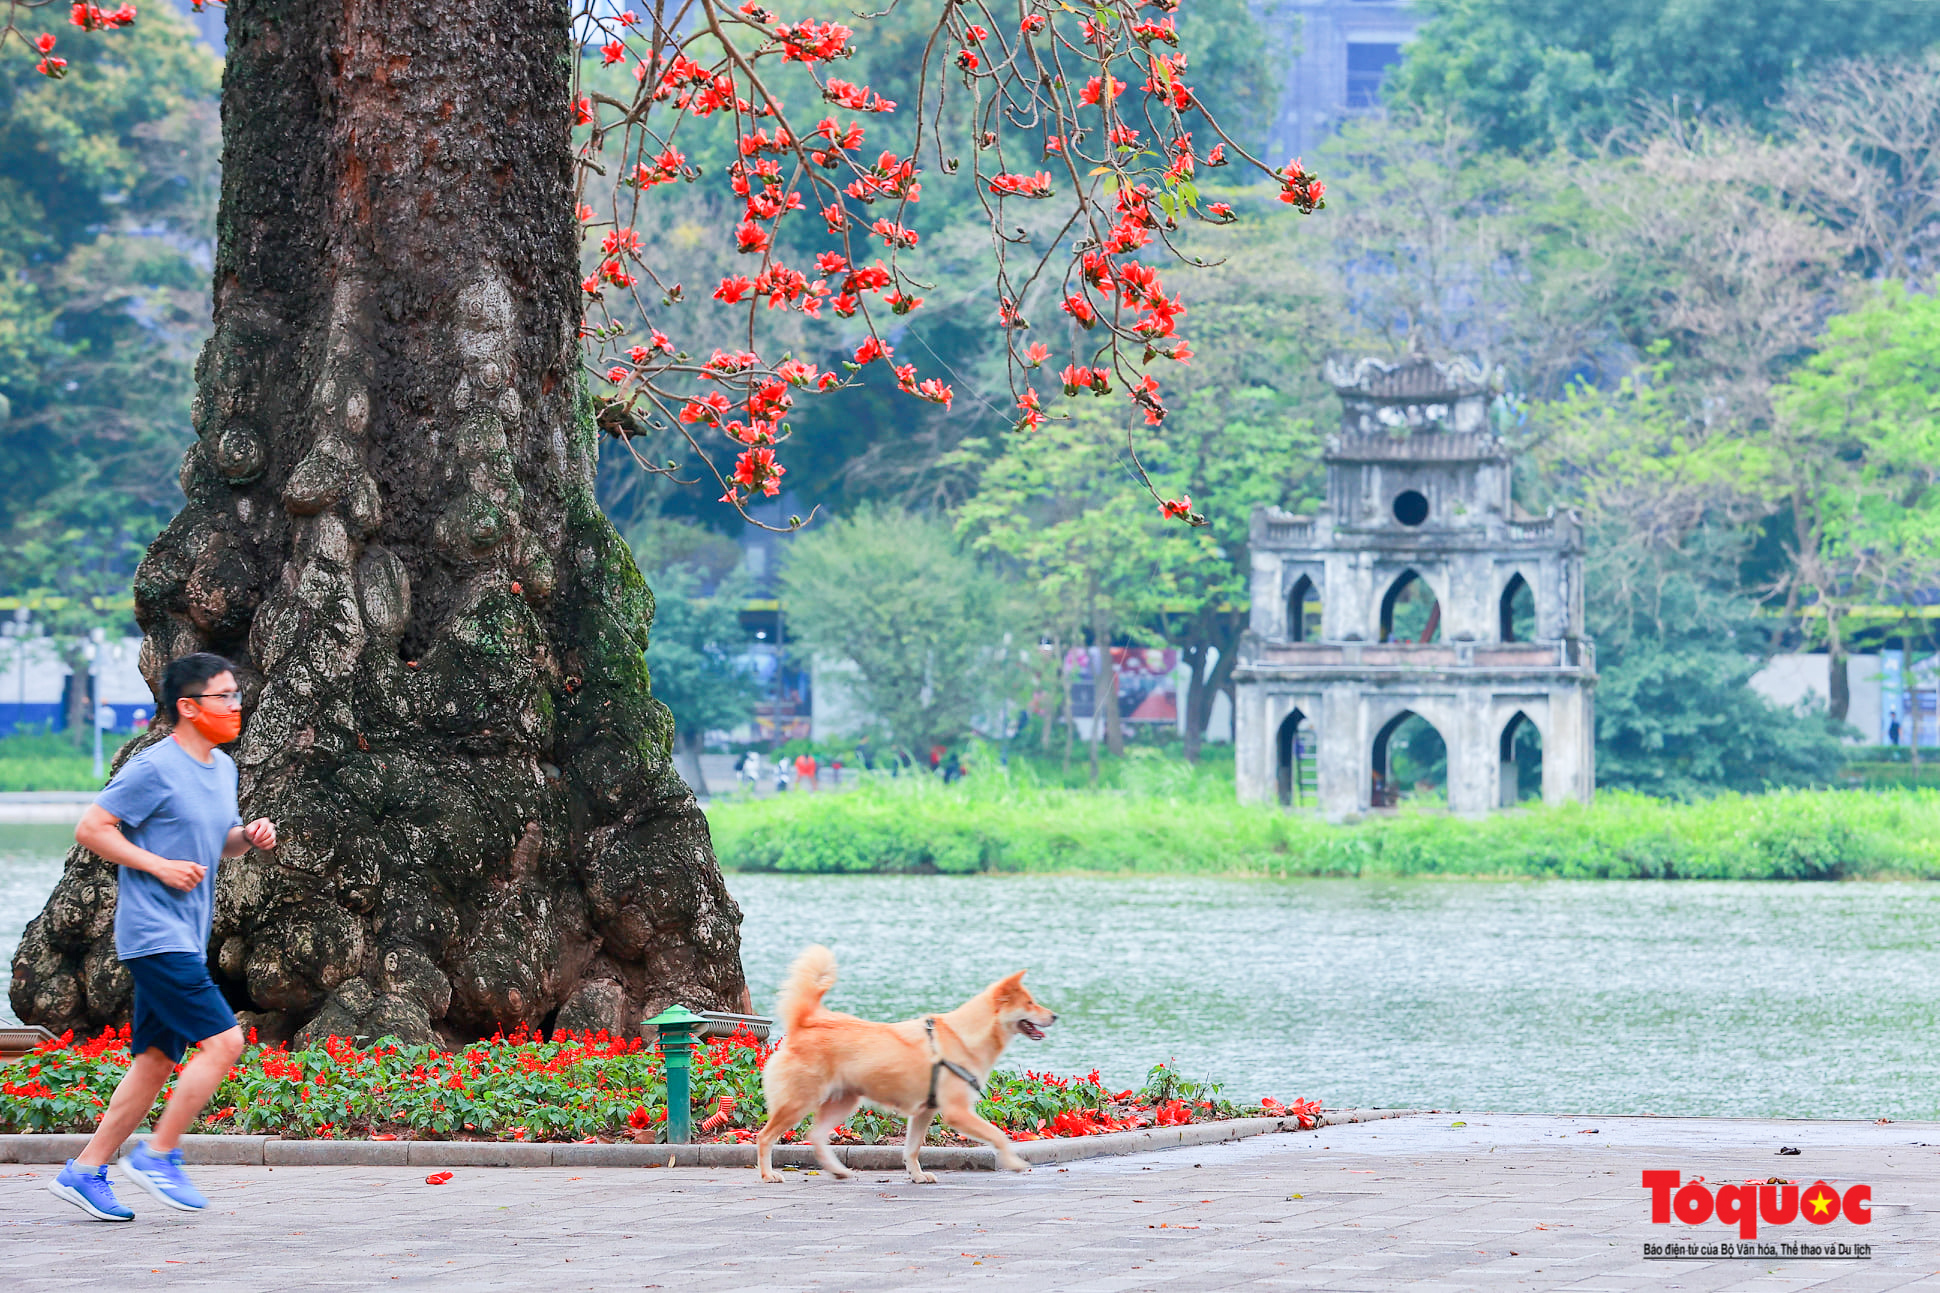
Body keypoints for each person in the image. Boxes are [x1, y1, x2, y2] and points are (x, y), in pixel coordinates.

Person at [48, 653, 277, 1223]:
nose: (235, 706)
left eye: (236, 695)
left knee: (153, 1059)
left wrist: (246, 837)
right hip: (154, 935)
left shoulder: (223, 768)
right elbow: (93, 828)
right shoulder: (154, 766)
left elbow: (214, 840)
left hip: (185, 934)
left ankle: (85, 1170)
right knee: (225, 1042)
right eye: (223, 697)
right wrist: (156, 865)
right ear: (188, 707)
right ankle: (159, 1154)